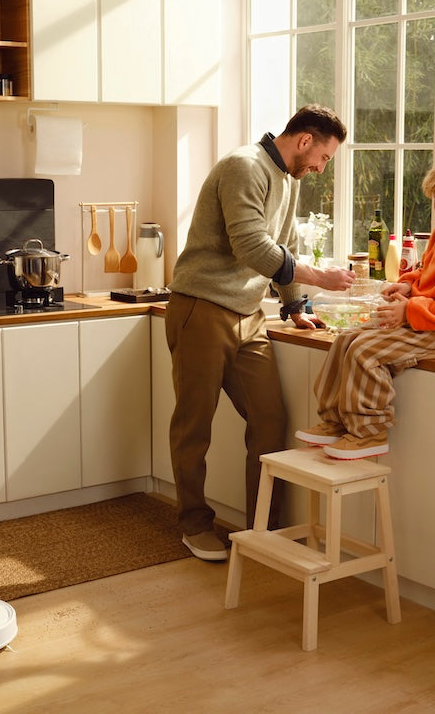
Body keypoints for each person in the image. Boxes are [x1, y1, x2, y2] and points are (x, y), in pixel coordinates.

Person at [166, 104, 355, 561]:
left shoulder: (288, 181)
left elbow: (280, 248)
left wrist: (294, 306)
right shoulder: (244, 167)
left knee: (269, 419)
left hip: (249, 317)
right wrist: (317, 277)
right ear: (305, 140)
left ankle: (263, 530)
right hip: (202, 309)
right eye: (324, 158)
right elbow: (250, 244)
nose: (321, 167)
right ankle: (194, 525)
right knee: (195, 426)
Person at [295, 152, 435, 460]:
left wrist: (409, 310)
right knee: (346, 340)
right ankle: (335, 421)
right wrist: (408, 283)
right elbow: (426, 271)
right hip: (423, 320)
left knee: (366, 353)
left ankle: (369, 432)